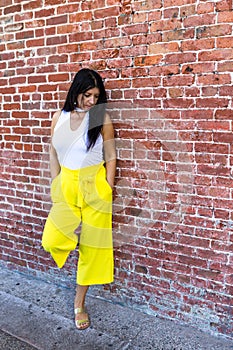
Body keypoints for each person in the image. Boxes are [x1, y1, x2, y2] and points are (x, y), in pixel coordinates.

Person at [42, 68, 116, 330]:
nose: (92, 101)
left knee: (92, 249)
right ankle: (73, 240)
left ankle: (79, 303)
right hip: (67, 186)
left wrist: (107, 187)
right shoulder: (59, 117)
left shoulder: (101, 119)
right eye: (87, 95)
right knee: (51, 239)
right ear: (76, 91)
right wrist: (55, 182)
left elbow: (110, 156)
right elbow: (53, 152)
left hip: (94, 185)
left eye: (96, 96)